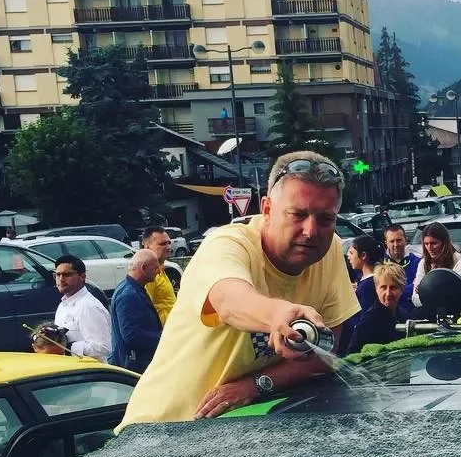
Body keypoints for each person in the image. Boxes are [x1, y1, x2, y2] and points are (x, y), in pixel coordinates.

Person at [118, 151, 360, 426]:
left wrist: (255, 385)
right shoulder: (225, 245)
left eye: (325, 219)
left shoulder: (328, 253)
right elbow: (230, 300)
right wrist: (276, 314)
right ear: (267, 209)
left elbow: (325, 354)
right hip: (158, 432)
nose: (311, 231)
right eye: (297, 214)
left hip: (230, 434)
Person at [110, 250, 163, 373]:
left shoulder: (131, 288)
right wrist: (163, 337)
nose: (159, 271)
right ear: (143, 268)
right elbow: (131, 335)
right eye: (155, 267)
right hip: (134, 366)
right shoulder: (129, 294)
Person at [52, 255, 112, 361]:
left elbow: (103, 348)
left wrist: (68, 348)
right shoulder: (63, 305)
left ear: (82, 277)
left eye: (67, 275)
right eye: (58, 275)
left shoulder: (89, 306)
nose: (61, 279)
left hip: (90, 373)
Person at [345, 262, 406, 354]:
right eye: (383, 287)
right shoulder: (369, 321)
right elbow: (352, 355)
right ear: (376, 289)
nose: (388, 293)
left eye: (393, 288)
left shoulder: (405, 316)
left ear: (402, 289)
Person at [411, 221, 461, 307]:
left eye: (434, 243)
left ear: (444, 243)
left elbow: (459, 297)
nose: (429, 248)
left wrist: (427, 293)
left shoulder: (460, 263)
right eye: (426, 244)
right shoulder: (423, 263)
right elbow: (415, 300)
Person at [141, 225, 177, 325]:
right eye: (162, 244)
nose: (168, 247)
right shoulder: (148, 272)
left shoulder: (161, 267)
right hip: (162, 334)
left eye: (169, 243)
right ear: (147, 247)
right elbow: (146, 308)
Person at [383, 223, 420, 317]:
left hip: (412, 314)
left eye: (399, 240)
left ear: (405, 240)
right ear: (386, 243)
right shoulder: (379, 264)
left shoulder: (418, 262)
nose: (396, 245)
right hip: (387, 314)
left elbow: (418, 289)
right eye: (392, 241)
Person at [346, 235, 382, 311]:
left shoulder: (367, 285)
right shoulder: (366, 279)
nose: (348, 256)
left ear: (363, 255)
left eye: (352, 253)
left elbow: (364, 315)